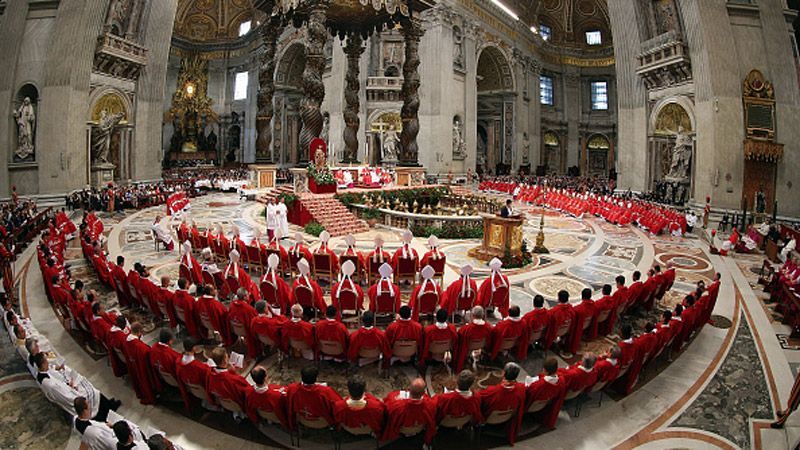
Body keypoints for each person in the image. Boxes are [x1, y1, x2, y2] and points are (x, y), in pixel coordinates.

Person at [32, 352, 120, 421]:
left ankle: (108, 404)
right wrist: (72, 387)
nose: (48, 362)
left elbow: (54, 375)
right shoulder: (50, 384)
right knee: (92, 391)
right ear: (43, 364)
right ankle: (105, 413)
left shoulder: (42, 373)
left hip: (68, 388)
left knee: (83, 381)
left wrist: (60, 372)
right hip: (73, 398)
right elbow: (65, 395)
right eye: (46, 361)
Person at [478, 362, 526, 444]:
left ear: (503, 373)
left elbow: (478, 398)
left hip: (489, 417)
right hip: (508, 416)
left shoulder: (492, 391)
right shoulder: (522, 388)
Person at [382, 378, 437, 444]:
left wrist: (395, 399)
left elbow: (386, 408)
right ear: (423, 393)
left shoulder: (396, 405)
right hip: (419, 428)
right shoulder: (430, 404)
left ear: (409, 389)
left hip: (402, 430)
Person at [286, 365, 342, 430]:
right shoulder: (325, 391)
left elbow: (289, 404)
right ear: (316, 378)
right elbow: (338, 405)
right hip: (321, 422)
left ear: (301, 376)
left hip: (302, 419)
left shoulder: (292, 389)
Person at [206, 347, 252, 420]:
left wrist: (231, 371)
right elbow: (248, 390)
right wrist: (235, 373)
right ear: (225, 361)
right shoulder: (233, 379)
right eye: (227, 357)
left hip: (224, 402)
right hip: (238, 403)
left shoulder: (210, 374)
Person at [524, 357, 567, 429]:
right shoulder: (561, 380)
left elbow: (528, 393)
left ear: (545, 371)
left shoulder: (539, 385)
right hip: (547, 403)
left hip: (532, 405)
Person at [122, 322, 157, 405]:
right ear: (139, 332)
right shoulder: (140, 347)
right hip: (142, 369)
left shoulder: (126, 341)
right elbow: (148, 354)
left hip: (133, 366)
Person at [454, 306, 493, 372]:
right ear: (483, 315)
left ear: (472, 315)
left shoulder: (466, 329)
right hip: (482, 346)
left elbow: (459, 340)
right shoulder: (489, 327)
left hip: (468, 347)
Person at [228, 288, 259, 358]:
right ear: (245, 297)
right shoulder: (249, 309)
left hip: (236, 329)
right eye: (248, 294)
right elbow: (255, 321)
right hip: (247, 332)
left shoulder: (231, 305)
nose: (249, 295)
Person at [149, 328, 180, 395]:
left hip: (162, 377)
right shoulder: (170, 355)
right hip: (174, 379)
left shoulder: (153, 348)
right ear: (169, 341)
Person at [546, 290, 576, 356]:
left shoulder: (554, 312)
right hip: (566, 331)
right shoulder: (572, 310)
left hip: (554, 333)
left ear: (558, 299)